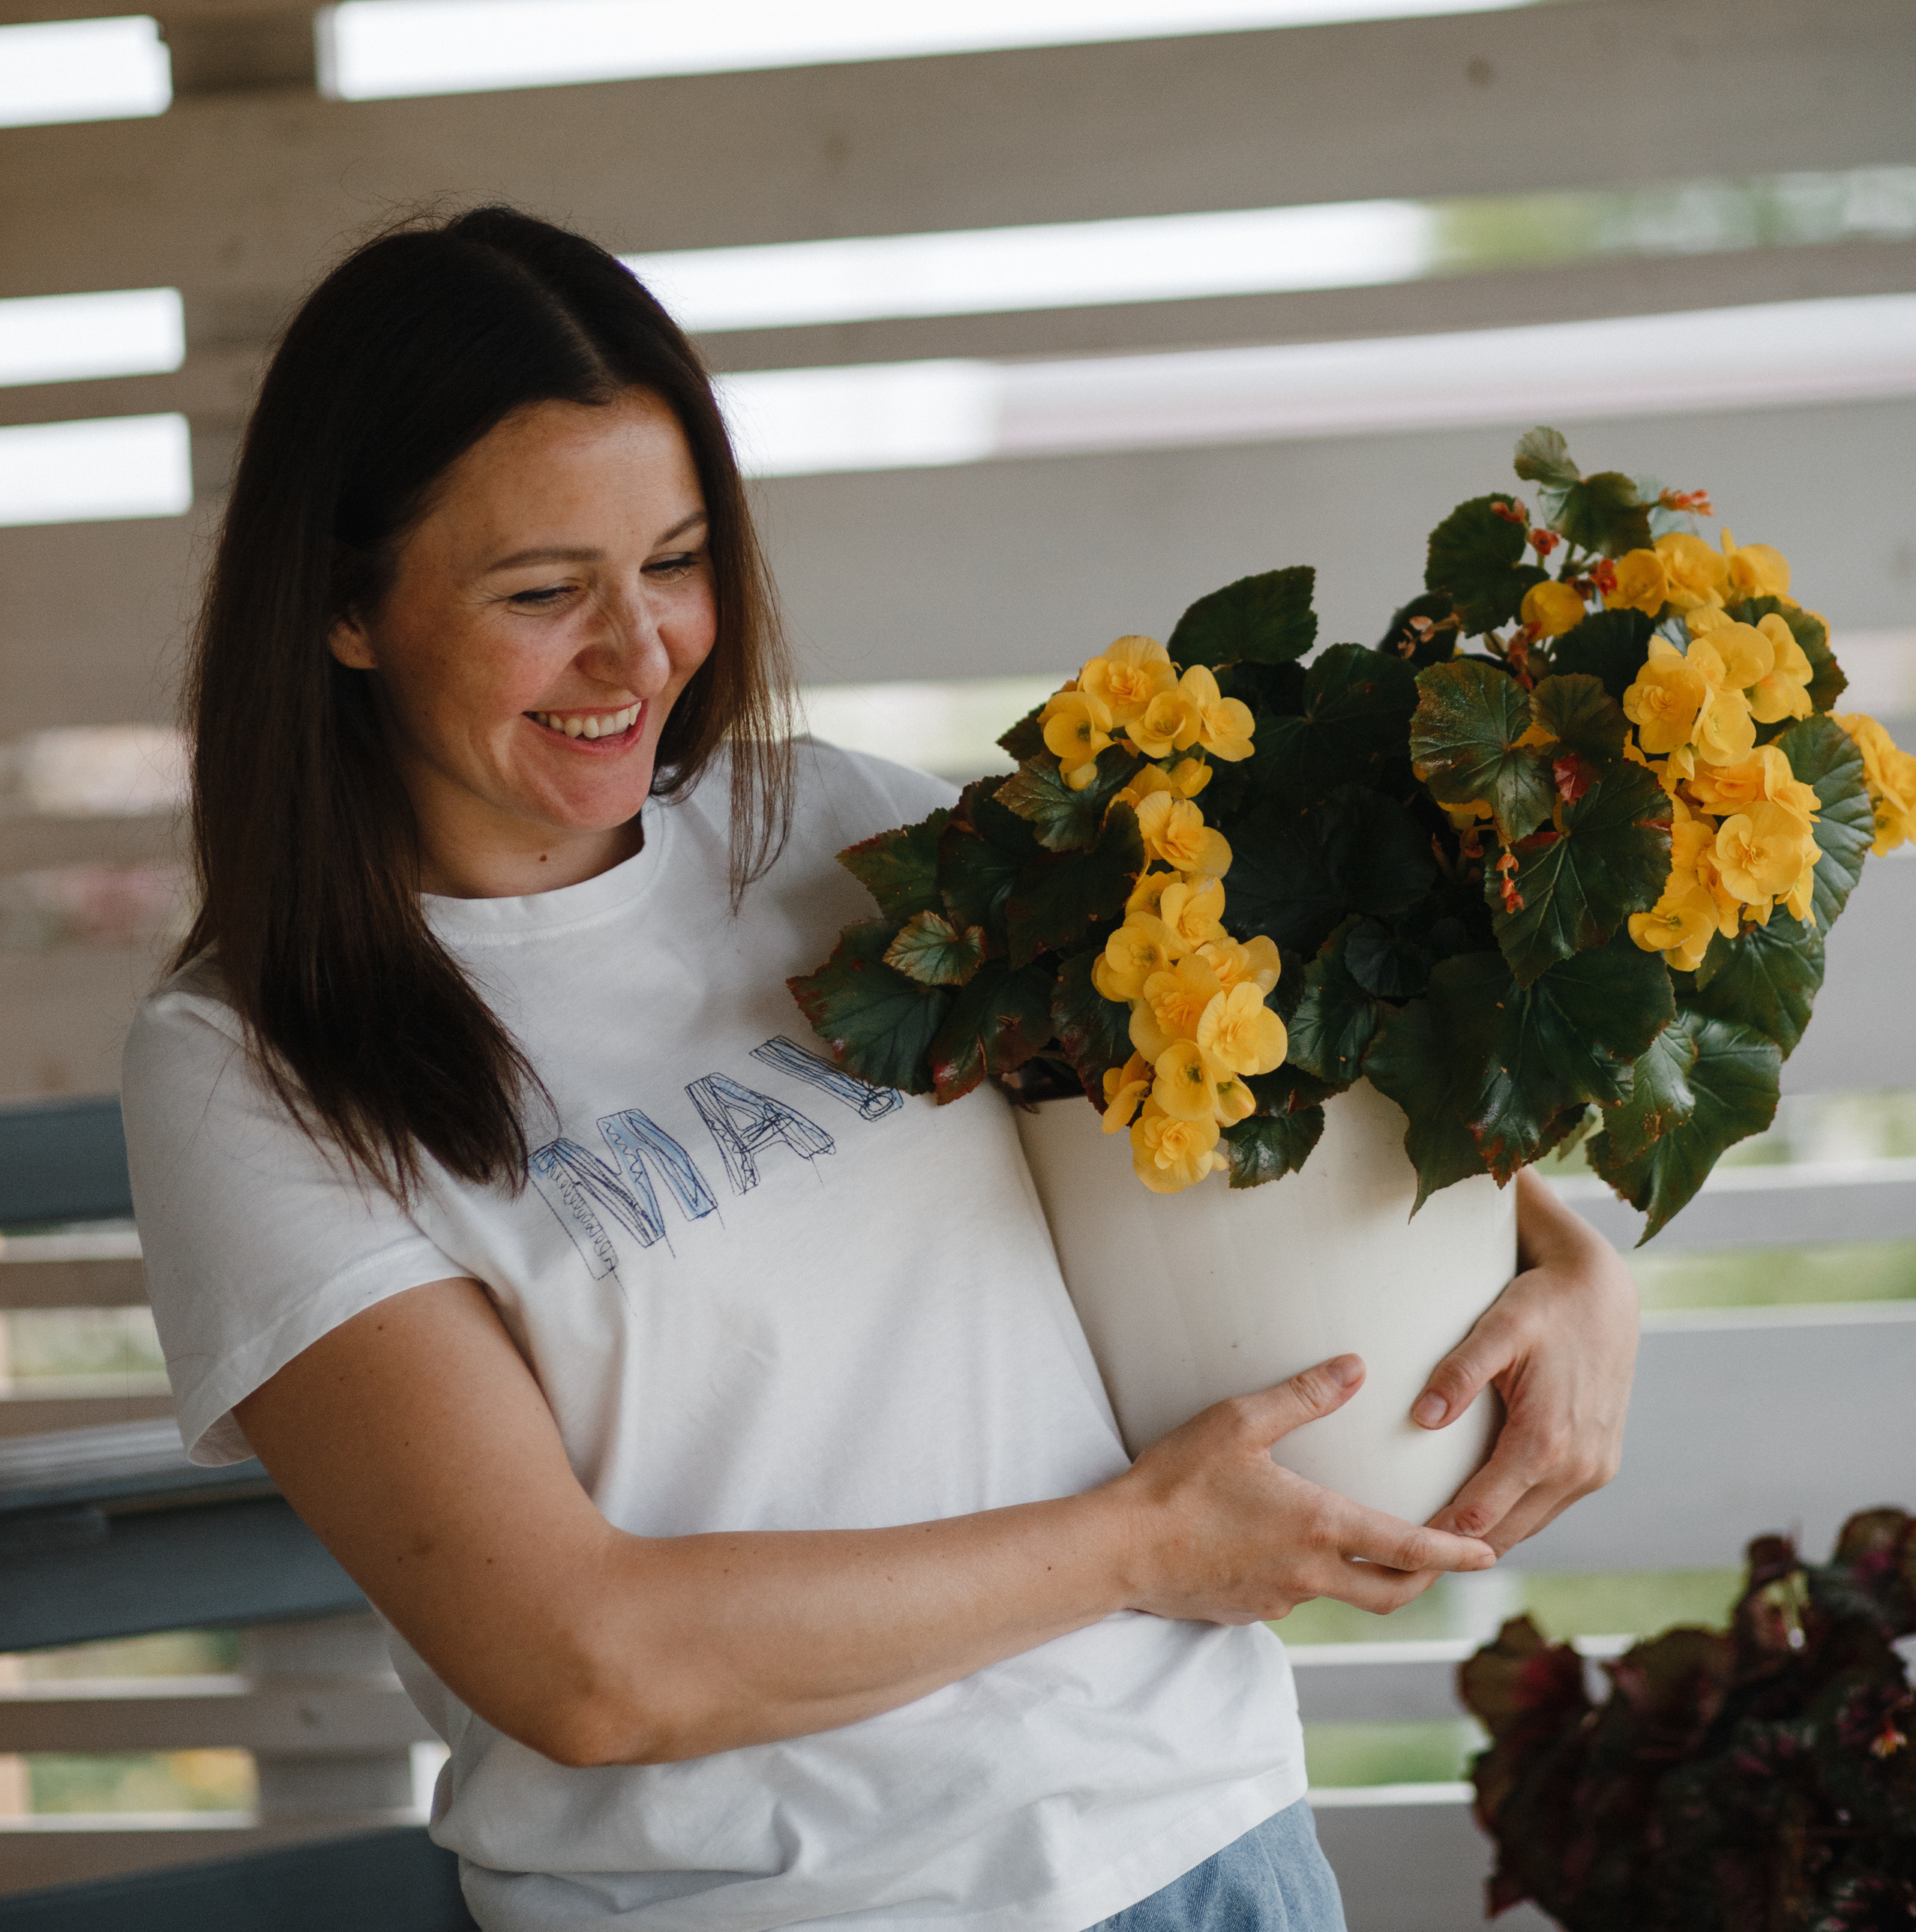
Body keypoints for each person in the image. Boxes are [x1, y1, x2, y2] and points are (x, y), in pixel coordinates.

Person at [122, 206, 1639, 1932]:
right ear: (342, 606)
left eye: (677, 563)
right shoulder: (245, 1070)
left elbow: (1247, 1078)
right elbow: (584, 1660)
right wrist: (1143, 1547)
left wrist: (1571, 1266)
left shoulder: (839, 829)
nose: (638, 654)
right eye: (543, 593)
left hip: (1203, 1850)